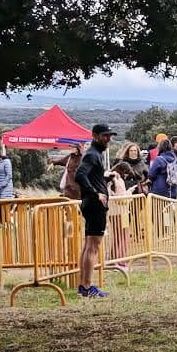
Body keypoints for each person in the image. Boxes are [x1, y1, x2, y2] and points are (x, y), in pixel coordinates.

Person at [74, 123, 113, 296]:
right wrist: (96, 193)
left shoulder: (94, 154)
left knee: (88, 245)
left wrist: (103, 179)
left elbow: (88, 175)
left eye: (109, 136)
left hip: (91, 203)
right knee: (93, 247)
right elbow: (80, 175)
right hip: (95, 205)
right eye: (105, 136)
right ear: (95, 136)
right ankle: (88, 287)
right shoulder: (92, 154)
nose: (108, 139)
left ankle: (84, 285)